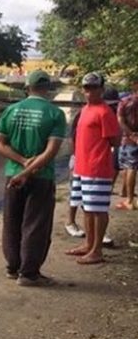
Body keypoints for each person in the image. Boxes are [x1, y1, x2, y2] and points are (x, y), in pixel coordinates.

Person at [0, 70, 66, 287]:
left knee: (12, 221)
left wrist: (21, 163)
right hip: (41, 176)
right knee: (36, 224)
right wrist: (29, 168)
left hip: (12, 175)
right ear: (48, 88)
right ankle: (29, 273)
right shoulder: (55, 114)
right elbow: (51, 152)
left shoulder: (11, 110)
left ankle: (12, 267)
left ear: (27, 87)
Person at [66, 73, 121, 265]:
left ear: (101, 90)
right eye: (87, 88)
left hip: (97, 167)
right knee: (86, 208)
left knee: (98, 209)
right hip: (82, 167)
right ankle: (89, 244)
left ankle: (97, 250)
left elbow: (115, 140)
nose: (90, 91)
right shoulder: (86, 109)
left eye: (94, 88)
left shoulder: (105, 112)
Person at [116, 78, 138, 210]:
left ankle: (129, 199)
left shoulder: (125, 101)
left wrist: (131, 134)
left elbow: (120, 120)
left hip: (128, 139)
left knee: (129, 167)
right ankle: (127, 195)